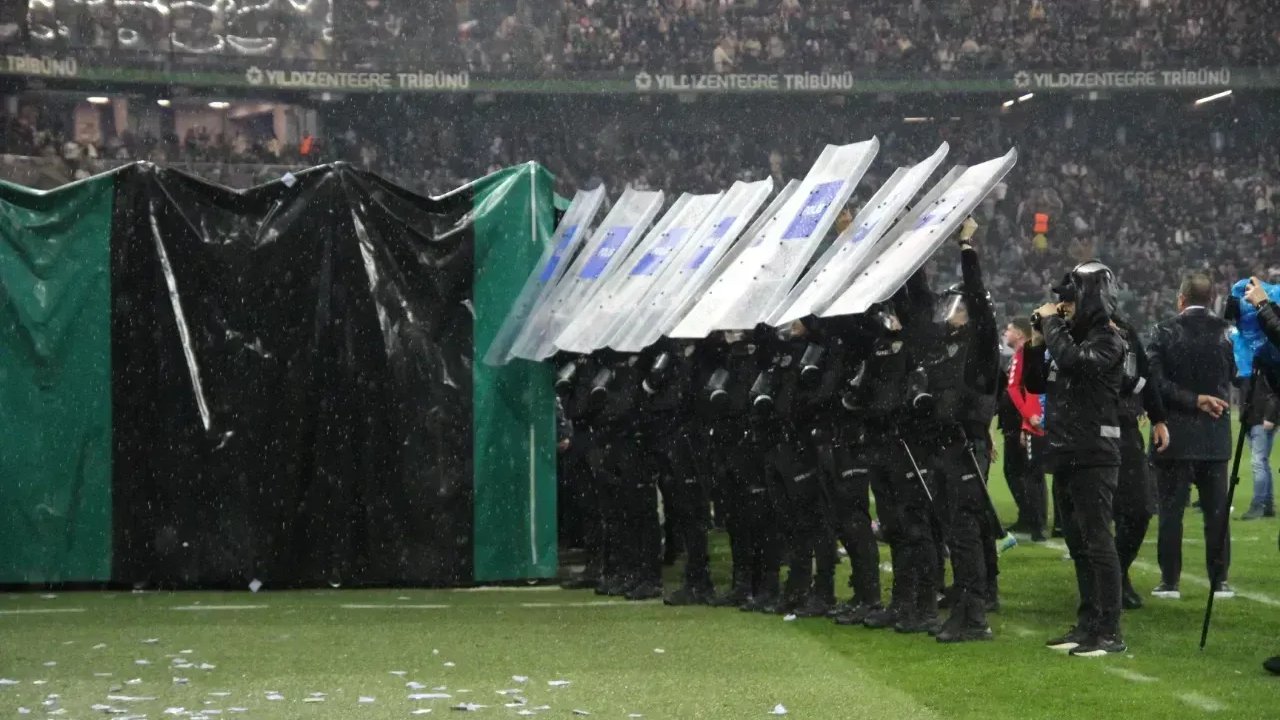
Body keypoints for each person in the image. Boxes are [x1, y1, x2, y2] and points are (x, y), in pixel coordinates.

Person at [1024, 260, 1128, 656]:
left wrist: (1051, 325)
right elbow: (1036, 383)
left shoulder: (1108, 339)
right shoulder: (1067, 338)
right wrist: (1037, 341)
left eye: (1068, 300)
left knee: (1098, 542)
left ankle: (1110, 630)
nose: (1061, 307)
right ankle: (1088, 623)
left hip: (1094, 454)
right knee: (1079, 543)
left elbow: (1075, 363)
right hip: (1066, 451)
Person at [914, 218, 1003, 642]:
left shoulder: (981, 345)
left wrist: (967, 248)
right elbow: (915, 308)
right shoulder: (944, 345)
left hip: (967, 447)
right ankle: (968, 609)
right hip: (944, 446)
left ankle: (974, 616)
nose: (951, 314)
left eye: (960, 308)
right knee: (954, 530)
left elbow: (979, 302)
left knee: (965, 532)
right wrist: (913, 257)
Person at [1147, 273, 1235, 602]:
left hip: (1175, 435)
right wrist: (1207, 397)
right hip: (1214, 435)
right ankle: (1220, 581)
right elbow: (1235, 374)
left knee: (1171, 512)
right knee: (1216, 513)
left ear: (1181, 299)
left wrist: (1192, 399)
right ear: (1211, 299)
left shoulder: (1163, 331)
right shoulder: (1226, 332)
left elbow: (1155, 381)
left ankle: (1169, 582)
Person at [1005, 317, 1049, 541]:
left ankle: (1037, 524)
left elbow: (1013, 388)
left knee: (1032, 473)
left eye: (1009, 330)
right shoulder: (1045, 352)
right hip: (1044, 421)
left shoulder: (1024, 354)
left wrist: (1027, 417)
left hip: (1033, 422)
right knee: (1037, 474)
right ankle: (1039, 522)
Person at [1240, 377, 1277, 520]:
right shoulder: (1248, 370)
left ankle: (1258, 505)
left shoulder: (1266, 368)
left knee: (1258, 463)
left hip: (1260, 418)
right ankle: (1267, 505)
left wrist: (1270, 415)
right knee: (1263, 462)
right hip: (1252, 418)